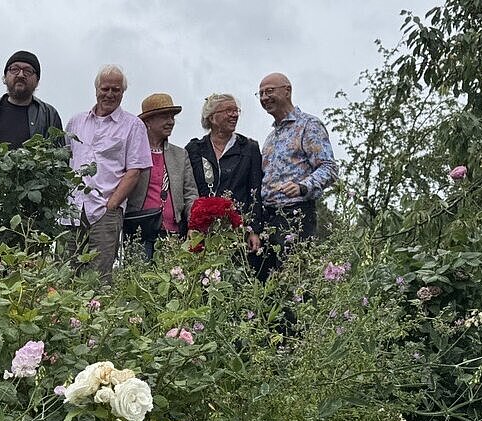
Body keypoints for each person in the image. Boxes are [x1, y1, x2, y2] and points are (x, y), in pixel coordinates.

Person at [64, 65, 152, 283]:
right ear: (96, 89)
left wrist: (111, 205)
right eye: (105, 89)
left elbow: (135, 170)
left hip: (105, 210)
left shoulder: (133, 125)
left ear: (123, 92)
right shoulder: (76, 121)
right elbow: (66, 159)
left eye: (116, 90)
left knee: (99, 277)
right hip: (72, 209)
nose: (110, 94)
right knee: (64, 272)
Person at [257, 72, 338, 277]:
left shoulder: (308, 125)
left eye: (269, 91)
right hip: (269, 218)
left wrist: (303, 185)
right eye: (260, 94)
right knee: (269, 286)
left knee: (294, 282)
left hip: (296, 215)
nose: (264, 97)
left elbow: (329, 168)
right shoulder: (270, 137)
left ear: (287, 91)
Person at [185, 93, 264, 254]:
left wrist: (254, 230)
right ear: (212, 117)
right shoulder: (195, 149)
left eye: (236, 110)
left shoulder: (248, 148)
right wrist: (192, 224)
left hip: (237, 231)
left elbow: (255, 190)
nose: (234, 114)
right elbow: (188, 190)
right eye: (228, 110)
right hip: (202, 231)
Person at [123, 93, 198, 258]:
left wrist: (193, 223)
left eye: (172, 117)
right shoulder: (132, 152)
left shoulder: (180, 154)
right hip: (139, 232)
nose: (171, 121)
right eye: (165, 117)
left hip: (173, 233)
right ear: (148, 121)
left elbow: (190, 193)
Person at [0, 50, 63, 148]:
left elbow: (59, 157)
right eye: (14, 69)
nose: (20, 75)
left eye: (28, 71)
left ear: (37, 81)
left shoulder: (49, 114)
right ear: (5, 77)